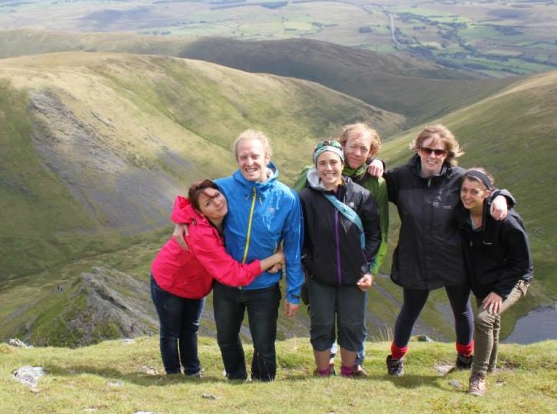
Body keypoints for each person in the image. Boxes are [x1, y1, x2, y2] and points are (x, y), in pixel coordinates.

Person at [375, 124, 512, 376]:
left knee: (461, 309)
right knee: (410, 310)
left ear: (447, 154)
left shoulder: (460, 177)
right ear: (418, 149)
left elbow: (486, 188)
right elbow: (372, 183)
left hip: (453, 257)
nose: (432, 156)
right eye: (427, 149)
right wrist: (379, 164)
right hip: (414, 256)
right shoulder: (401, 177)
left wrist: (503, 197)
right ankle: (395, 360)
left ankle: (465, 358)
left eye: (439, 151)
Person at [173, 129, 304, 381]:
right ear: (237, 160)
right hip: (226, 284)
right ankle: (235, 379)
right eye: (243, 157)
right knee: (226, 339)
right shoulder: (223, 187)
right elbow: (189, 201)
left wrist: (294, 292)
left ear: (267, 157)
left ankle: (263, 384)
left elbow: (294, 245)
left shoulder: (286, 197)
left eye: (255, 156)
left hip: (264, 285)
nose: (249, 162)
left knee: (264, 344)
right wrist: (180, 220)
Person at [151, 179, 286, 376]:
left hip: (195, 284)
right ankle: (172, 374)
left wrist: (181, 218)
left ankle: (192, 371)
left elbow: (187, 200)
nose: (216, 202)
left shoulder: (218, 215)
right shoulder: (201, 234)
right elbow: (234, 274)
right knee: (171, 332)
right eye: (208, 204)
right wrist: (277, 257)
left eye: (217, 195)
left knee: (190, 328)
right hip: (169, 280)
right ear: (200, 212)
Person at [294, 122, 389, 376]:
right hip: (319, 276)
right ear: (316, 165)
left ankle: (350, 370)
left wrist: (365, 266)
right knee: (321, 323)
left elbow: (375, 234)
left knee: (352, 324)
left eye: (333, 163)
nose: (328, 168)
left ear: (340, 163)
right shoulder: (305, 198)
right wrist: (308, 263)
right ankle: (323, 371)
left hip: (354, 276)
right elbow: (297, 234)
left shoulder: (363, 194)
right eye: (322, 163)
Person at [456, 168, 533, 396]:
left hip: (513, 280)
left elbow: (522, 263)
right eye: (464, 190)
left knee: (484, 319)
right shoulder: (462, 214)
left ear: (487, 193)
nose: (467, 196)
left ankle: (477, 378)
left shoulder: (506, 220)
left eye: (474, 192)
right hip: (485, 280)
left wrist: (500, 292)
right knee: (493, 324)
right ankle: (490, 368)